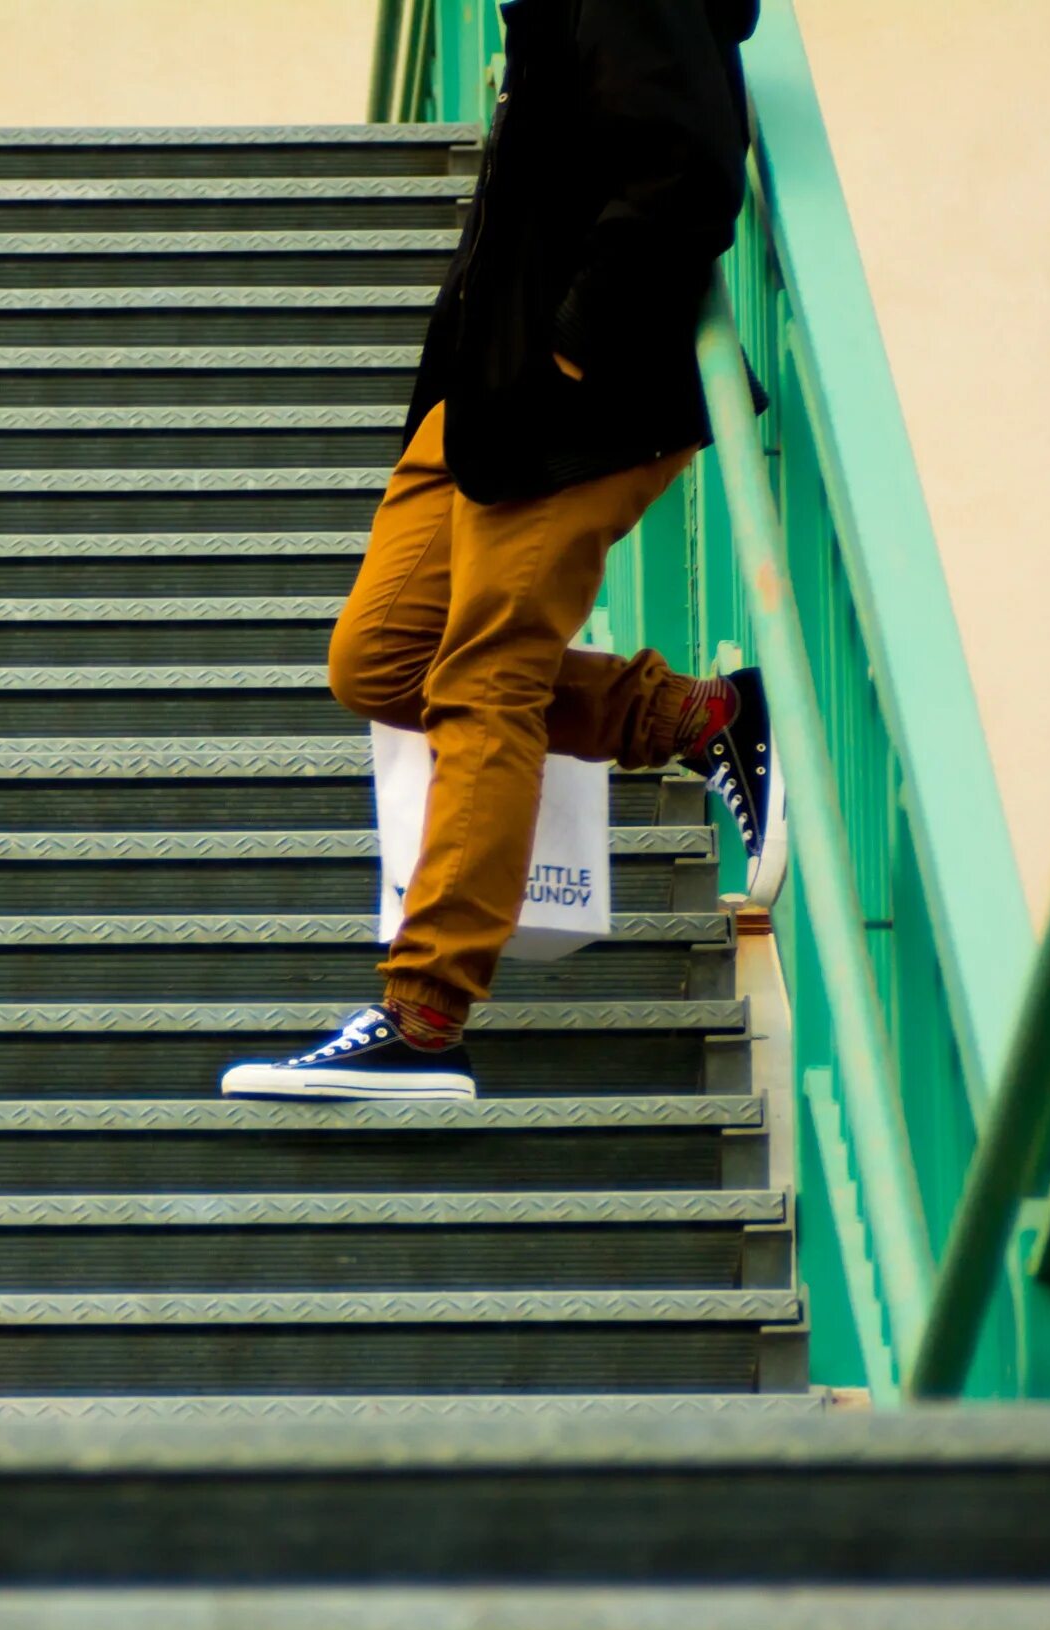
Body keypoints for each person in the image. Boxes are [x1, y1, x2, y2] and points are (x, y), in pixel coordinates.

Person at [223, 0, 778, 1104]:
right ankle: (701, 717)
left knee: (487, 674)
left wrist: (567, 355)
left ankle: (425, 1017)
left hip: (582, 402)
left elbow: (690, 172)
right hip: (483, 401)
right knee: (378, 660)